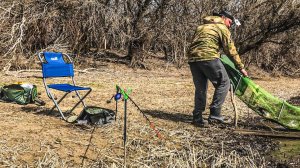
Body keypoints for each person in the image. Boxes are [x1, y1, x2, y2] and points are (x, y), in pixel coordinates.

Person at [187, 10, 248, 127]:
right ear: (223, 18)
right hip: (209, 56)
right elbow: (230, 49)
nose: (230, 25)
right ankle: (215, 115)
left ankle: (197, 117)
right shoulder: (222, 27)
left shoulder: (202, 27)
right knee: (224, 83)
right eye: (230, 22)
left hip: (193, 59)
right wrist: (241, 67)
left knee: (200, 88)